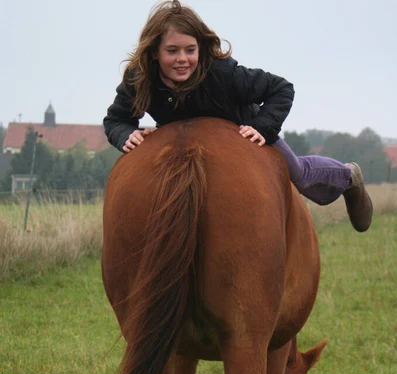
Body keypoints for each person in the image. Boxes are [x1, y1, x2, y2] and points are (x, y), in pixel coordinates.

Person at [104, 0, 373, 232]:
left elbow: (281, 88)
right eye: (172, 51)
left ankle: (348, 176)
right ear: (154, 52)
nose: (182, 59)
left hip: (245, 130)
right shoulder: (139, 79)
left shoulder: (223, 74)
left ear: (201, 48)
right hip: (181, 140)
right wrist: (125, 134)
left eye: (190, 50)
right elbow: (116, 120)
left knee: (299, 175)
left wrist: (261, 128)